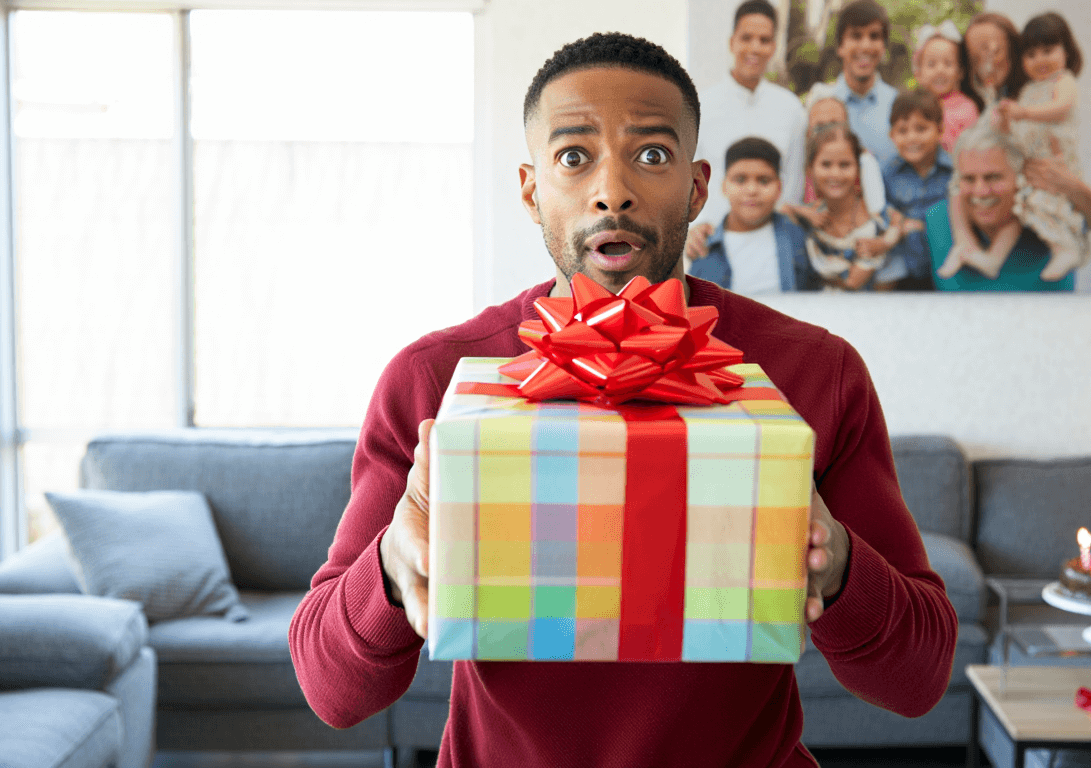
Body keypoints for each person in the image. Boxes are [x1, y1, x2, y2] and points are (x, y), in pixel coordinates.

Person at [289, 31, 957, 768]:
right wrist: (391, 562)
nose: (613, 189)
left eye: (652, 155)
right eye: (574, 157)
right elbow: (331, 689)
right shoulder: (434, 382)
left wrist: (837, 569)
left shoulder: (813, 375)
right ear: (530, 188)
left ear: (698, 187)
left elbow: (919, 679)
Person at [941, 12, 1088, 282]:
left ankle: (1061, 248)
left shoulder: (1036, 94)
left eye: (995, 51)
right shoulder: (981, 106)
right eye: (977, 56)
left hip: (1042, 187)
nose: (988, 62)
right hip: (1014, 196)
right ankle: (967, 245)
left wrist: (1021, 115)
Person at [691, 0, 808, 243]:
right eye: (746, 38)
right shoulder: (700, 107)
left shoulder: (791, 109)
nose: (755, 48)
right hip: (714, 244)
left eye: (764, 40)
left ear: (774, 47)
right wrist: (695, 228)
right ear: (732, 42)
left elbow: (793, 185)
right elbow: (686, 181)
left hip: (774, 245)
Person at [928, 120, 1075, 291]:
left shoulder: (1049, 212)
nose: (981, 191)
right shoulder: (936, 220)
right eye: (969, 178)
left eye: (993, 177)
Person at [792, 121, 917, 291]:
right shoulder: (806, 218)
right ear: (810, 170)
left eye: (845, 165)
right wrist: (796, 210)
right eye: (826, 164)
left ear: (858, 169)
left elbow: (909, 224)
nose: (835, 174)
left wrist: (884, 242)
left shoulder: (876, 216)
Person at [690, 136, 820, 293]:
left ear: (779, 188)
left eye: (764, 181)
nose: (752, 190)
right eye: (740, 180)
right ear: (724, 186)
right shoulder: (702, 246)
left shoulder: (798, 236)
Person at [882, 88, 953, 291]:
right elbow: (879, 207)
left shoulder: (954, 171)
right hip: (903, 270)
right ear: (892, 135)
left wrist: (925, 226)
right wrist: (897, 219)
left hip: (945, 263)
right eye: (903, 131)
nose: (912, 138)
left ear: (939, 129)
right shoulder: (888, 173)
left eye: (921, 129)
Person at [828, 0, 899, 168]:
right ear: (840, 46)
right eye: (856, 36)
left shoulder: (898, 106)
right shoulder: (822, 104)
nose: (865, 46)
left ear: (884, 48)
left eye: (874, 36)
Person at [797, 94, 886, 217]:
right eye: (819, 127)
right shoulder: (798, 163)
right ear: (808, 132)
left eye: (834, 125)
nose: (827, 133)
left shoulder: (864, 162)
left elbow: (877, 213)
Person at [911, 21, 978, 154]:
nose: (940, 70)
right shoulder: (914, 107)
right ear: (919, 74)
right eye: (931, 64)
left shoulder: (967, 109)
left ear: (960, 72)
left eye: (948, 64)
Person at [959, 12, 1027, 112]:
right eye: (975, 58)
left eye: (995, 52)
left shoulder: (1037, 93)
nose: (986, 66)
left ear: (1013, 49)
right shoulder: (966, 107)